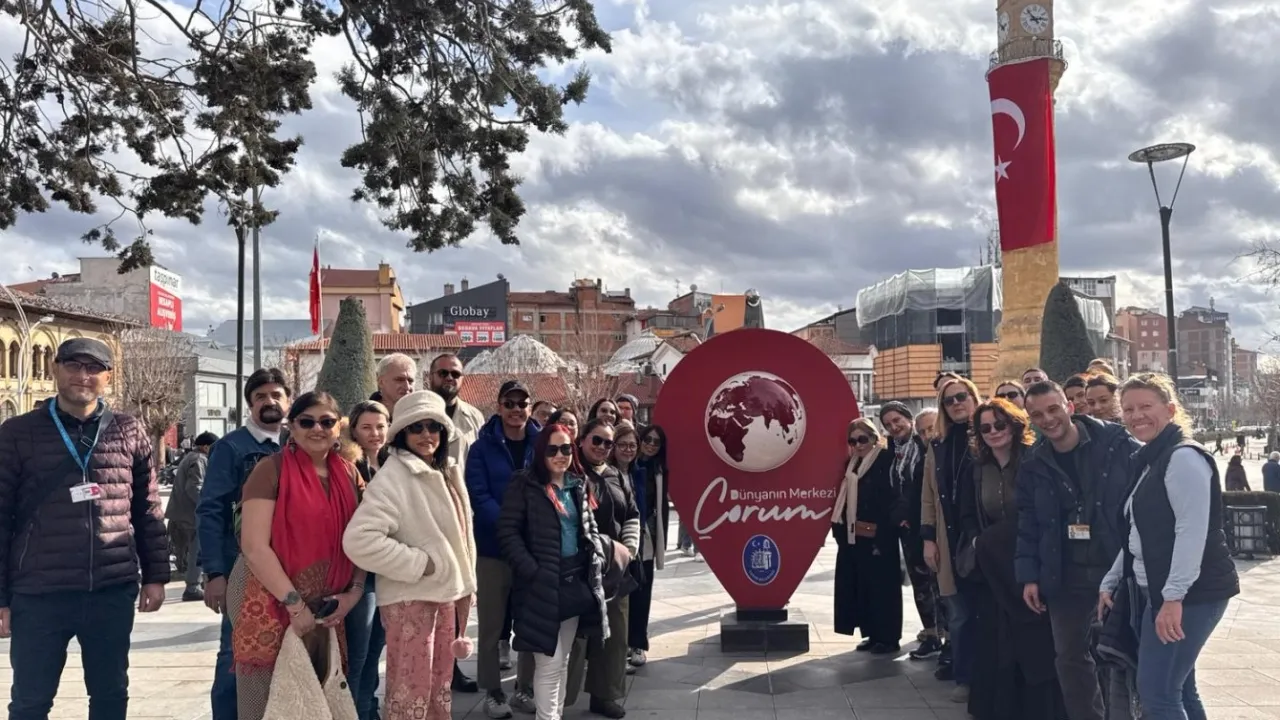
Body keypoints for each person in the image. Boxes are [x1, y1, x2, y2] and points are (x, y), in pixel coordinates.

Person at [0, 337, 171, 720]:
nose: (83, 375)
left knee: (110, 695)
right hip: (39, 593)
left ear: (108, 376)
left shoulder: (128, 431)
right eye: (74, 365)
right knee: (30, 701)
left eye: (94, 368)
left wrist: (156, 576)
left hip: (109, 590)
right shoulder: (17, 432)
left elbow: (147, 509)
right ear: (55, 369)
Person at [1099, 373, 1240, 720]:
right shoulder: (1153, 458)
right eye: (1128, 409)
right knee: (1179, 689)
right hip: (1164, 592)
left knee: (1158, 693)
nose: (1136, 415)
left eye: (1146, 406)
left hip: (1190, 594)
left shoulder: (1182, 458)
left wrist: (1174, 598)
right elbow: (1139, 532)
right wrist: (1111, 579)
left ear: (1170, 409)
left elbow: (1192, 533)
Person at [228, 391, 366, 720]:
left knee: (318, 698)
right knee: (268, 703)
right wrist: (295, 605)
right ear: (292, 426)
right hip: (266, 594)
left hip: (326, 603)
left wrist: (353, 594)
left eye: (327, 422)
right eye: (307, 422)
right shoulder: (270, 470)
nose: (317, 429)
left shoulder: (350, 474)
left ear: (339, 427)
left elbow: (363, 540)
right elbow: (254, 546)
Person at [344, 391, 478, 720]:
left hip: (442, 595)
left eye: (434, 426)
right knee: (410, 693)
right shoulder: (395, 476)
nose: (426, 434)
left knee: (437, 688)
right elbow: (359, 540)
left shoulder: (445, 470)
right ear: (402, 432)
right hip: (411, 600)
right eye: (416, 427)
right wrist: (420, 564)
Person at [1018, 380, 1140, 720]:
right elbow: (1028, 522)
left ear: (1070, 406)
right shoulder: (1033, 462)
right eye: (1037, 415)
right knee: (1070, 657)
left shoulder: (1115, 443)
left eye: (1053, 409)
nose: (1047, 419)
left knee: (1121, 653)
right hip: (1064, 573)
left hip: (1114, 566)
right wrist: (1029, 576)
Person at [498, 423, 617, 720]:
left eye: (566, 448)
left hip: (573, 581)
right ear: (541, 452)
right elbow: (508, 533)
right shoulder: (524, 484)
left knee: (562, 661)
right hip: (540, 586)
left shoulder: (578, 484)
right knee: (549, 664)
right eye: (552, 449)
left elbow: (589, 528)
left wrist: (597, 557)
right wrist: (532, 570)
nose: (560, 455)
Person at [960, 398, 1064, 719]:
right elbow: (967, 512)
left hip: (1032, 562)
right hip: (995, 568)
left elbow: (1044, 512)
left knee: (1035, 638)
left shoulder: (1035, 460)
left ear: (1015, 425)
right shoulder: (978, 468)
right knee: (998, 640)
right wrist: (978, 541)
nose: (993, 432)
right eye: (985, 428)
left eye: (1000, 424)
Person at [197, 367, 290, 720]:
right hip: (242, 570)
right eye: (260, 396)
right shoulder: (231, 448)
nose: (269, 401)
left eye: (276, 395)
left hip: (289, 569)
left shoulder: (296, 443)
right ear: (250, 403)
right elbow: (211, 511)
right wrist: (214, 573)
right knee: (235, 657)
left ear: (288, 400)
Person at [467, 380, 540, 718]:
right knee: (491, 626)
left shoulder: (542, 444)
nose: (516, 409)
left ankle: (525, 688)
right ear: (498, 406)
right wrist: (510, 526)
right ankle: (493, 692)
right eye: (509, 403)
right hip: (493, 549)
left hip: (532, 549)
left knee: (530, 623)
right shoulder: (481, 448)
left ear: (529, 407)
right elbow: (478, 495)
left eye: (522, 403)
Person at [570, 419, 639, 718]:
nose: (601, 447)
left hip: (614, 569)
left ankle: (605, 695)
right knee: (576, 637)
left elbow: (632, 514)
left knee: (615, 636)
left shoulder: (616, 475)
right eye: (596, 440)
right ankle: (559, 697)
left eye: (607, 443)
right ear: (582, 440)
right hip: (578, 568)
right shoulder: (571, 473)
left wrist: (628, 551)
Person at [427, 352, 486, 692]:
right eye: (443, 373)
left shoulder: (473, 417)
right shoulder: (418, 413)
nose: (449, 378)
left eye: (455, 373)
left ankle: (450, 665)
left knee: (458, 594)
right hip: (426, 515)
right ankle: (428, 664)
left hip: (463, 516)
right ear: (430, 377)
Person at [922, 377, 981, 701]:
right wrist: (928, 538)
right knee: (958, 614)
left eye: (961, 396)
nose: (956, 403)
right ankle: (966, 678)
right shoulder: (938, 444)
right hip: (949, 537)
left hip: (982, 537)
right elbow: (928, 496)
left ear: (973, 397)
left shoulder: (988, 432)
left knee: (986, 609)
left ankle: (991, 679)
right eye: (949, 400)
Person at [833, 417, 906, 653]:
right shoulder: (852, 464)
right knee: (864, 587)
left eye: (862, 439)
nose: (858, 445)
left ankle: (889, 638)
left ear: (874, 438)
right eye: (853, 441)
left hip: (880, 535)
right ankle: (873, 634)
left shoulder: (885, 459)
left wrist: (883, 535)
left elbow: (891, 499)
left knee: (884, 588)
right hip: (855, 537)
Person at [879, 402, 941, 659]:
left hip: (925, 523)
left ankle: (942, 634)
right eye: (888, 424)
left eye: (897, 420)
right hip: (907, 528)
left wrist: (907, 514)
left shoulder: (923, 446)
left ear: (908, 419)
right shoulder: (893, 450)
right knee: (920, 582)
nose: (894, 427)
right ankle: (931, 632)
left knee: (936, 581)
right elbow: (893, 488)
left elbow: (919, 489)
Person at [343, 399, 391, 720]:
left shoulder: (394, 463)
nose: (375, 434)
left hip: (388, 569)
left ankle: (369, 708)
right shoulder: (347, 466)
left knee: (376, 650)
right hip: (358, 571)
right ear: (354, 431)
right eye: (367, 427)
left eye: (380, 426)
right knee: (358, 654)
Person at [628, 424, 668, 668]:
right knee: (624, 593)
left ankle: (637, 643)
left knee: (643, 590)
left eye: (656, 442)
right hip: (625, 535)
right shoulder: (627, 467)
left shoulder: (660, 470)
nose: (651, 445)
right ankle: (621, 642)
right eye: (647, 440)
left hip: (647, 537)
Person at [168, 431, 220, 602]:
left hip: (185, 513)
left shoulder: (192, 457)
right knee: (197, 551)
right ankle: (192, 588)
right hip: (191, 515)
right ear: (206, 447)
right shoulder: (198, 460)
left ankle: (196, 584)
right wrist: (208, 507)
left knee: (195, 550)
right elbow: (194, 487)